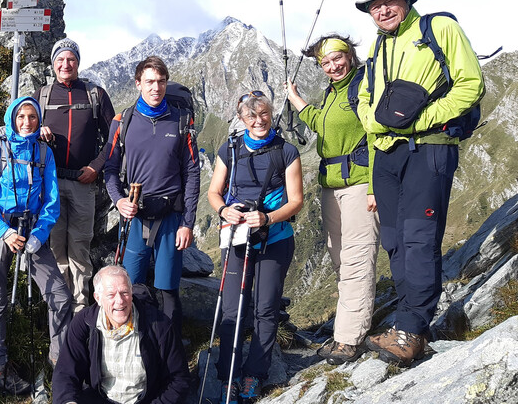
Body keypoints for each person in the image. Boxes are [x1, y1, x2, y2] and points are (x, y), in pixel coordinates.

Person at [354, 0, 484, 366]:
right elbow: (365, 99)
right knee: (394, 240)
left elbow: (470, 83)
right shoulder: (379, 47)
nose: (382, 9)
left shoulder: (438, 28)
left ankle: (411, 332)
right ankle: (407, 324)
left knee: (419, 237)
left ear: (407, 0)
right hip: (387, 156)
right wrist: (374, 122)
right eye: (375, 5)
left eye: (389, 0)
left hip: (429, 148)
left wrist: (421, 119)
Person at [286, 34, 380, 365]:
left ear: (350, 56)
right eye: (325, 62)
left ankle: (348, 340)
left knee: (356, 260)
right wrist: (297, 102)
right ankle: (350, 328)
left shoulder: (363, 86)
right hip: (331, 188)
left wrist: (373, 186)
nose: (332, 65)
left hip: (358, 187)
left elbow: (375, 134)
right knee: (340, 260)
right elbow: (322, 124)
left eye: (337, 58)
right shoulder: (332, 93)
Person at [0, 97, 72, 395]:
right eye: (21, 117)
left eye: (32, 117)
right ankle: (1, 367)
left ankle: (61, 362)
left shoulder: (43, 152)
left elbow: (51, 202)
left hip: (32, 232)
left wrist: (39, 235)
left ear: (38, 119)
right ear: (12, 118)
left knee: (60, 295)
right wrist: (4, 232)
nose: (26, 122)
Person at [207, 92, 303, 403]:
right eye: (251, 116)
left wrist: (267, 218)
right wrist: (224, 211)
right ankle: (228, 374)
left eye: (263, 115)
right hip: (236, 237)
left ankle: (254, 374)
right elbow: (214, 192)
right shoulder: (230, 150)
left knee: (265, 309)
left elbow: (296, 200)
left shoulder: (286, 151)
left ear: (270, 114)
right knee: (233, 309)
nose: (259, 121)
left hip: (274, 238)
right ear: (242, 119)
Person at [105, 56, 200, 333]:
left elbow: (192, 173)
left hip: (171, 217)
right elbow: (110, 169)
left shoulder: (182, 122)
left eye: (161, 81)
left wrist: (188, 223)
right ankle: (132, 344)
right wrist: (119, 200)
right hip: (134, 216)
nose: (155, 88)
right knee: (129, 289)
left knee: (168, 290)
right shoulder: (123, 121)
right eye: (149, 82)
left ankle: (169, 353)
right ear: (138, 84)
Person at [34, 37, 115, 313]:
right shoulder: (41, 96)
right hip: (51, 185)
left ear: (78, 63)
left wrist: (96, 167)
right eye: (60, 59)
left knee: (80, 248)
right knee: (56, 247)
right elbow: (23, 132)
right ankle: (59, 307)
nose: (65, 64)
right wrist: (37, 132)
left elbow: (114, 139)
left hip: (83, 183)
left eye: (71, 59)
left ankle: (80, 310)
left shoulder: (95, 95)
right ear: (53, 64)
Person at [51, 265, 190, 404]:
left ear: (131, 291)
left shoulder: (159, 325)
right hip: (99, 398)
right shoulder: (84, 323)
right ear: (98, 298)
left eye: (124, 292)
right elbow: (65, 373)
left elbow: (178, 379)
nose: (120, 301)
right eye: (111, 294)